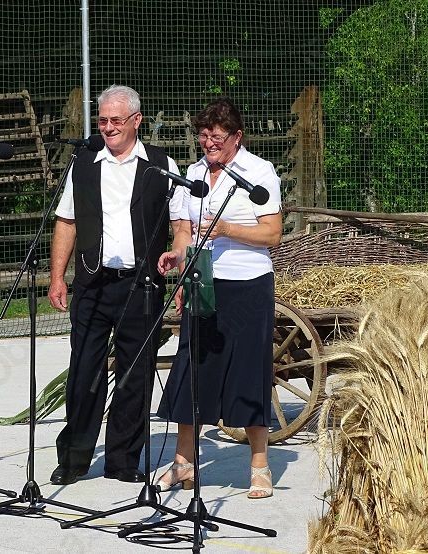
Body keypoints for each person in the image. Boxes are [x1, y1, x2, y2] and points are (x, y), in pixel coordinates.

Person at [48, 85, 188, 485]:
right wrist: (57, 277)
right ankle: (74, 459)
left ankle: (124, 460)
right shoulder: (84, 163)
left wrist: (179, 264)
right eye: (102, 120)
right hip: (92, 283)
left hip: (141, 285)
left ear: (136, 120)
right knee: (84, 372)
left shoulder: (161, 165)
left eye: (115, 120)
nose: (108, 128)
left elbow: (181, 224)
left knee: (135, 374)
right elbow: (66, 222)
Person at [154, 97, 282, 499]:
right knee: (193, 370)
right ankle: (184, 463)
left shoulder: (259, 172)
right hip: (202, 280)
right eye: (204, 135)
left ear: (236, 137)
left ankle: (259, 466)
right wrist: (177, 257)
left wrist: (228, 229)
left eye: (217, 136)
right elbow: (183, 230)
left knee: (248, 371)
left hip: (248, 284)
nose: (209, 142)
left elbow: (272, 233)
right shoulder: (193, 174)